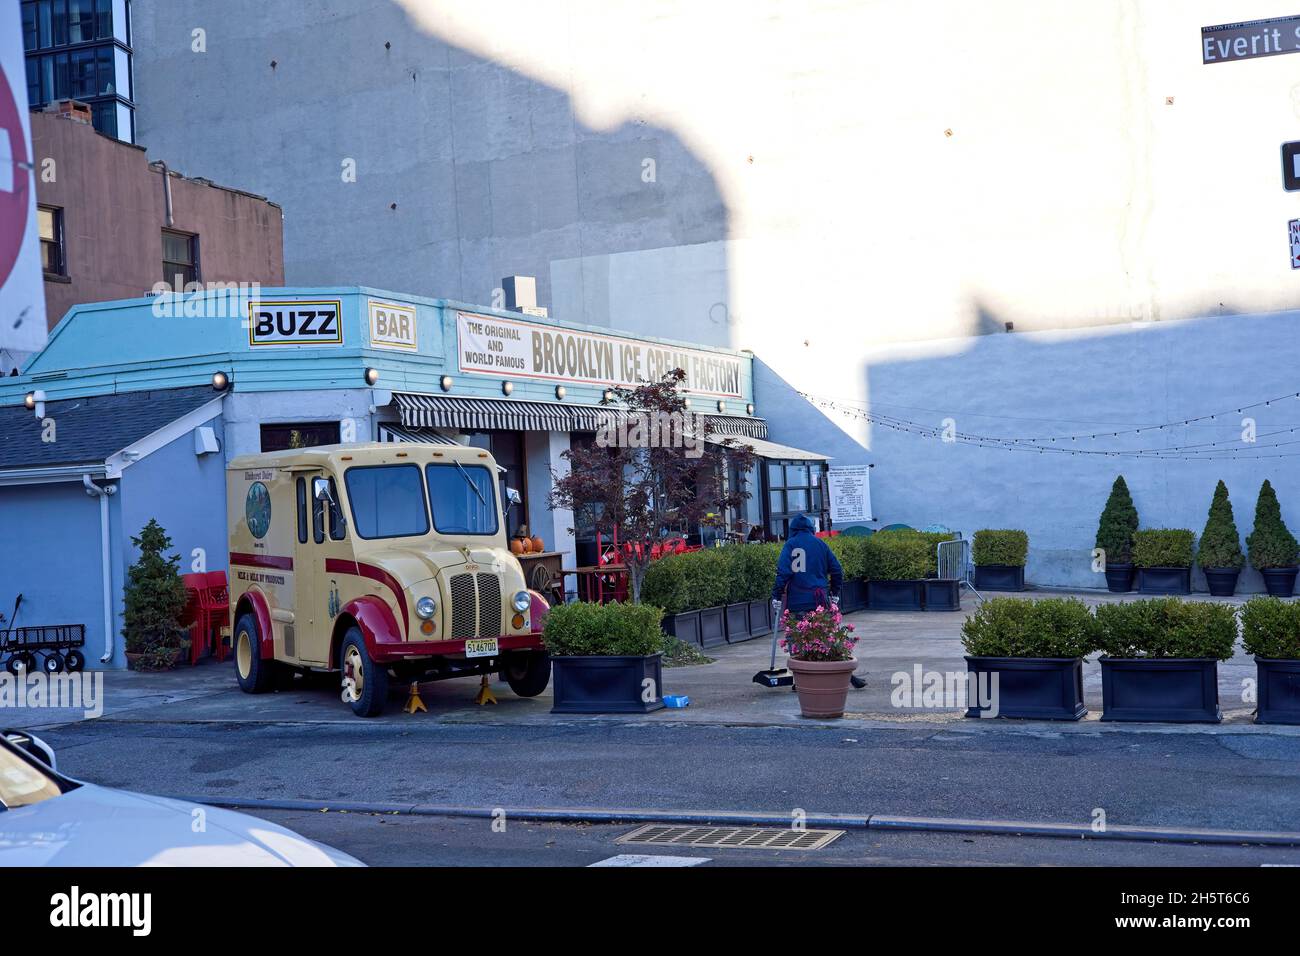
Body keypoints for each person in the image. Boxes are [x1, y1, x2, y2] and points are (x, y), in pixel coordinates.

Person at [770, 514, 865, 688]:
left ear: (792, 530)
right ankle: (843, 673)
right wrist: (835, 592)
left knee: (797, 639)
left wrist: (776, 595)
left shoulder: (790, 545)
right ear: (810, 529)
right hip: (819, 601)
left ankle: (801, 678)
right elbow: (837, 570)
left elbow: (783, 573)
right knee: (825, 638)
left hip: (797, 602)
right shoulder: (821, 544)